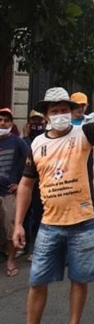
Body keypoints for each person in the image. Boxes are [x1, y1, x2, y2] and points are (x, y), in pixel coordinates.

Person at [12, 83, 94, 324]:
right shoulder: (35, 145)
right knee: (37, 282)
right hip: (49, 225)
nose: (60, 114)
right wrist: (19, 223)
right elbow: (25, 184)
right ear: (46, 116)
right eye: (54, 110)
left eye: (64, 109)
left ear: (71, 111)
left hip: (83, 224)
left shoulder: (84, 134)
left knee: (79, 280)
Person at [0, 108, 29, 277]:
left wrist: (20, 183)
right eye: (0, 119)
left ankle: (11, 260)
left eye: (6, 120)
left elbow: (31, 162)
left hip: (9, 194)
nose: (2, 123)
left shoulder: (18, 142)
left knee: (11, 227)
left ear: (11, 123)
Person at [22, 110, 48, 262]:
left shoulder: (44, 136)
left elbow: (32, 153)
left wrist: (25, 138)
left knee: (39, 218)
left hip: (41, 185)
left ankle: (38, 250)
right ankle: (25, 247)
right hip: (28, 184)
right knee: (27, 217)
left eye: (39, 119)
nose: (36, 123)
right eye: (33, 119)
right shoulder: (27, 137)